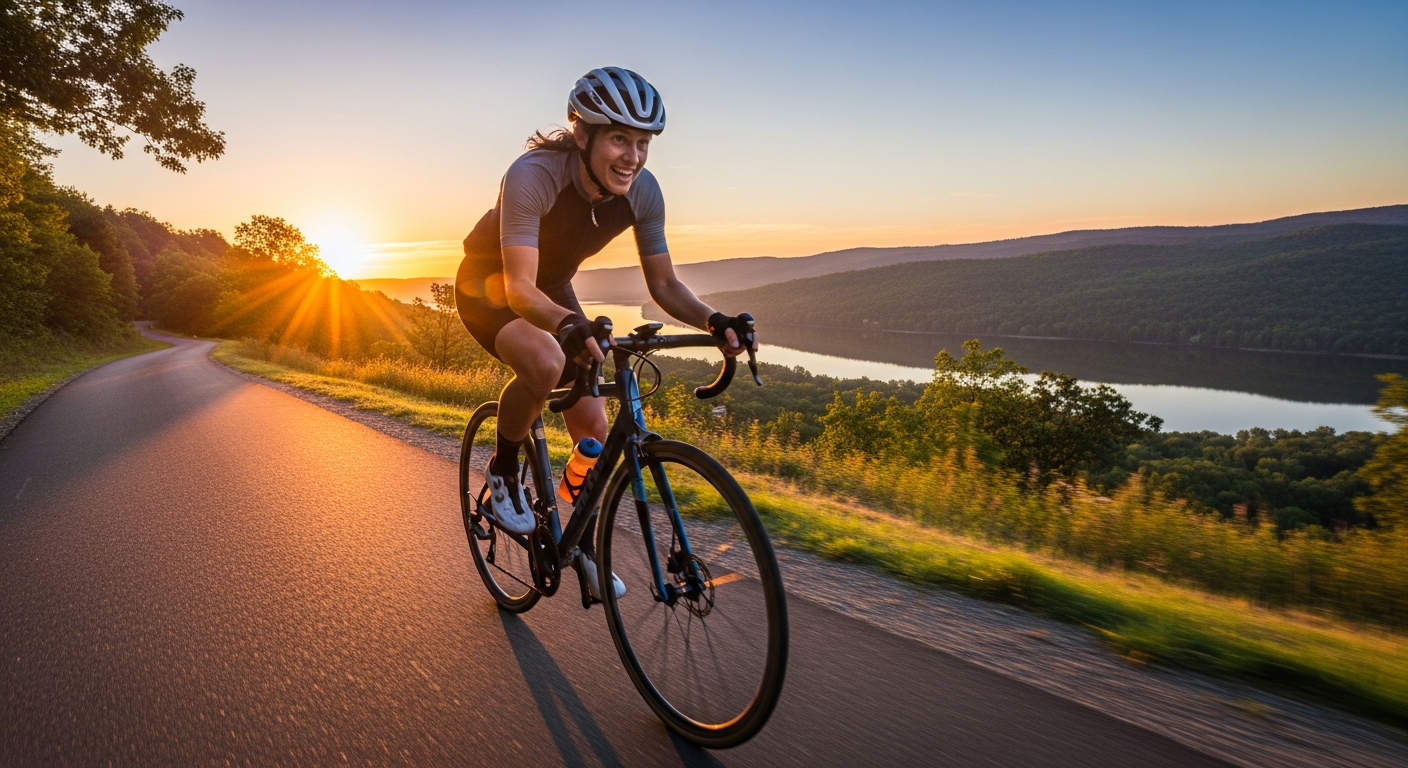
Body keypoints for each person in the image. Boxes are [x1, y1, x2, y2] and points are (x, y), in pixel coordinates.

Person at [455, 67, 756, 600]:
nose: (633, 157)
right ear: (583, 135)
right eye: (620, 138)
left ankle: (578, 541)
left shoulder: (643, 192)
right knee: (547, 362)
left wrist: (715, 321)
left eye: (643, 143)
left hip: (553, 287)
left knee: (593, 434)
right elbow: (521, 288)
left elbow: (663, 283)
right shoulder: (533, 175)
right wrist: (567, 324)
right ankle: (503, 472)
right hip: (492, 285)